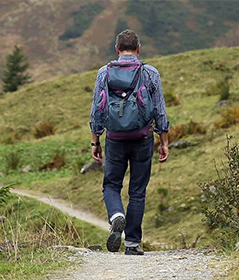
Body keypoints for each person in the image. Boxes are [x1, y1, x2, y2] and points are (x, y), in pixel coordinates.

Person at [89, 29, 169, 255]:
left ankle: (116, 215)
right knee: (137, 191)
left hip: (114, 138)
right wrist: (163, 141)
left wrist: (95, 140)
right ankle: (132, 243)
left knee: (111, 185)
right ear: (138, 48)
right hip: (143, 138)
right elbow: (160, 110)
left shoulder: (104, 73)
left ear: (116, 50)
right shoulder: (150, 73)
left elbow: (97, 109)